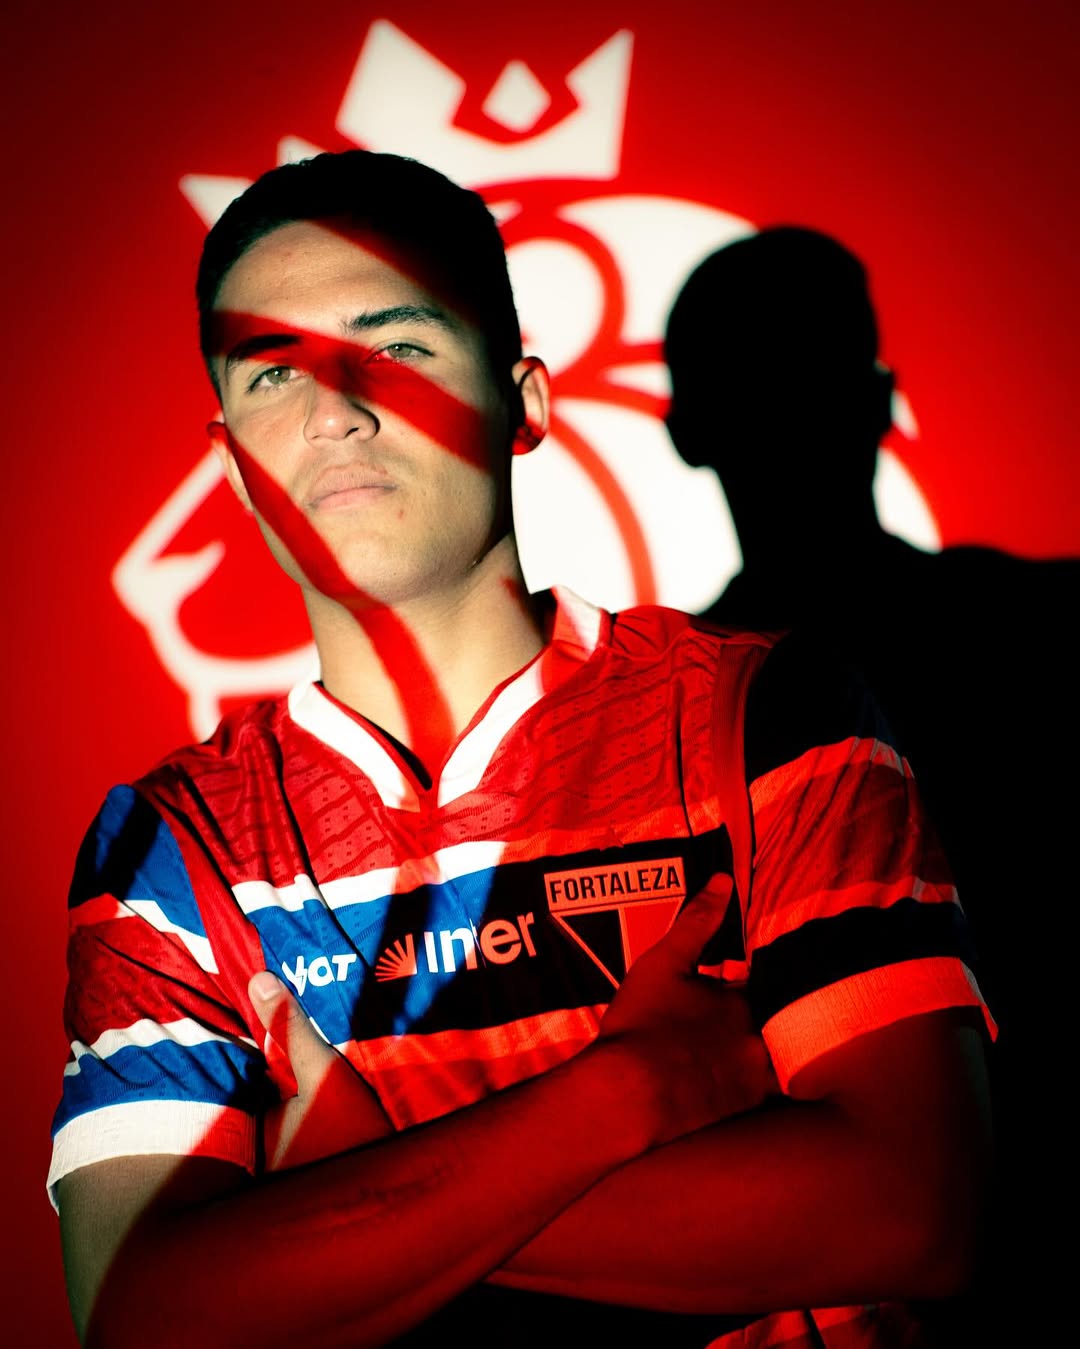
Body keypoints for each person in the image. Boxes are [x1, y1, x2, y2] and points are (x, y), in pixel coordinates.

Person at [51, 153, 994, 1349]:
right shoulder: (170, 848)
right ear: (231, 454)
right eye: (273, 371)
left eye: (398, 344)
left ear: (526, 404)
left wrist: (348, 1190)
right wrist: (615, 1098)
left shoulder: (767, 710)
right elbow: (141, 1313)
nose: (334, 409)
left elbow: (915, 1208)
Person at [664, 224, 1077, 1343]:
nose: (789, 420)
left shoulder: (667, 723)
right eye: (767, 383)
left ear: (684, 432)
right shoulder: (1047, 630)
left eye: (801, 377)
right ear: (884, 399)